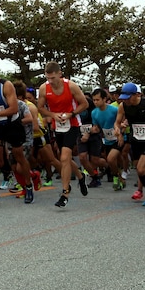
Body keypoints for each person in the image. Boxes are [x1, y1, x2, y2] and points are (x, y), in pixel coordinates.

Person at [0, 61, 34, 204]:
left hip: (11, 123)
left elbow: (14, 108)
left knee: (19, 156)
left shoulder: (6, 86)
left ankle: (28, 185)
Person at [35, 61, 89, 208]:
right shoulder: (44, 88)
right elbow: (40, 108)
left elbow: (85, 104)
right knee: (64, 158)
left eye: (53, 78)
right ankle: (80, 176)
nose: (50, 81)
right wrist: (53, 114)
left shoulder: (71, 86)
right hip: (57, 125)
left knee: (65, 157)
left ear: (60, 74)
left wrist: (71, 114)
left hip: (72, 124)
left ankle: (65, 193)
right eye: (48, 78)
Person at [114, 83, 145, 206]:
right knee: (142, 167)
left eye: (128, 97)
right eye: (124, 98)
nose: (126, 100)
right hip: (135, 139)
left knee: (141, 168)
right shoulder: (123, 106)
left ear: (136, 95)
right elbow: (117, 122)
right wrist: (119, 130)